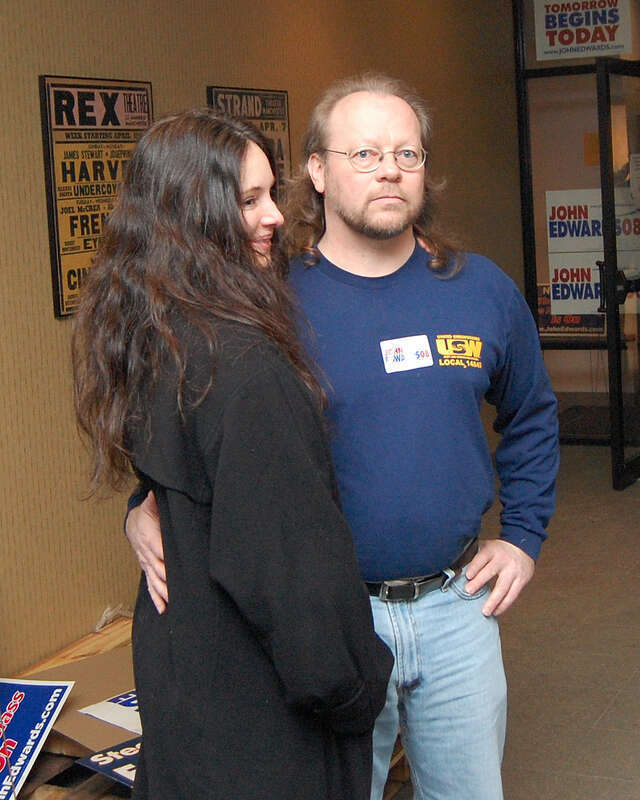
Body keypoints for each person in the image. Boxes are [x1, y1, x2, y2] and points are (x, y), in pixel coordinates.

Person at [126, 75, 559, 800]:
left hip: (458, 609)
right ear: (318, 173)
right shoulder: (268, 302)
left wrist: (524, 535)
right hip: (331, 624)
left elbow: (534, 414)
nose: (390, 168)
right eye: (363, 153)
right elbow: (199, 424)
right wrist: (146, 503)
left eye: (407, 154)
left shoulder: (480, 289)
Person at [71, 108, 393, 800]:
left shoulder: (157, 337)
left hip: (189, 707)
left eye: (271, 193)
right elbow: (292, 581)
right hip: (263, 732)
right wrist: (361, 685)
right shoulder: (246, 371)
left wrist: (143, 507)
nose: (274, 216)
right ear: (190, 218)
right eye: (247, 200)